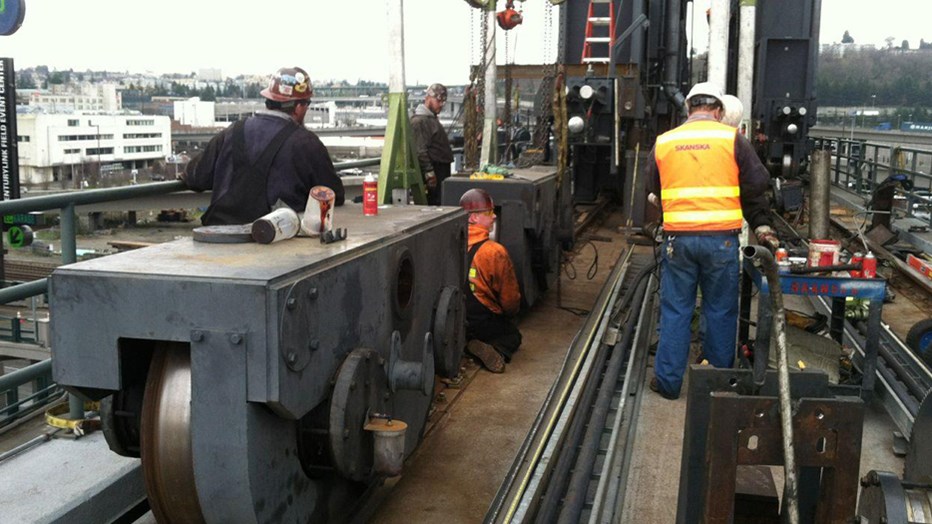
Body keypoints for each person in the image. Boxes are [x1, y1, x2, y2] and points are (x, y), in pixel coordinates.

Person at [644, 81, 779, 400]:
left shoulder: (665, 141)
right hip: (721, 241)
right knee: (719, 310)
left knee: (676, 310)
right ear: (718, 110)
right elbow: (758, 182)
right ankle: (716, 386)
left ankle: (668, 383)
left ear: (688, 108)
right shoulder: (732, 138)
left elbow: (652, 187)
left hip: (679, 241)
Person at [184, 66, 345, 225]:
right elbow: (334, 194)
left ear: (269, 100)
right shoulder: (306, 143)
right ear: (298, 107)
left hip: (223, 235)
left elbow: (195, 177)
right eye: (307, 104)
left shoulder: (233, 131)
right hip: (275, 238)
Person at [460, 188, 522, 373]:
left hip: (458, 316)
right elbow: (510, 299)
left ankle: (466, 341)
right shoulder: (493, 251)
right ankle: (495, 349)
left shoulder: (453, 242)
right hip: (482, 320)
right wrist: (511, 315)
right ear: (473, 218)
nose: (494, 216)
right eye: (488, 213)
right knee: (512, 336)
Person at [411, 83, 454, 206]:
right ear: (428, 98)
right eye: (438, 101)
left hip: (441, 170)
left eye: (443, 102)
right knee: (435, 204)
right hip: (435, 171)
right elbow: (420, 150)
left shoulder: (430, 119)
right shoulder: (419, 121)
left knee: (441, 203)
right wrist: (429, 173)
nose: (441, 105)